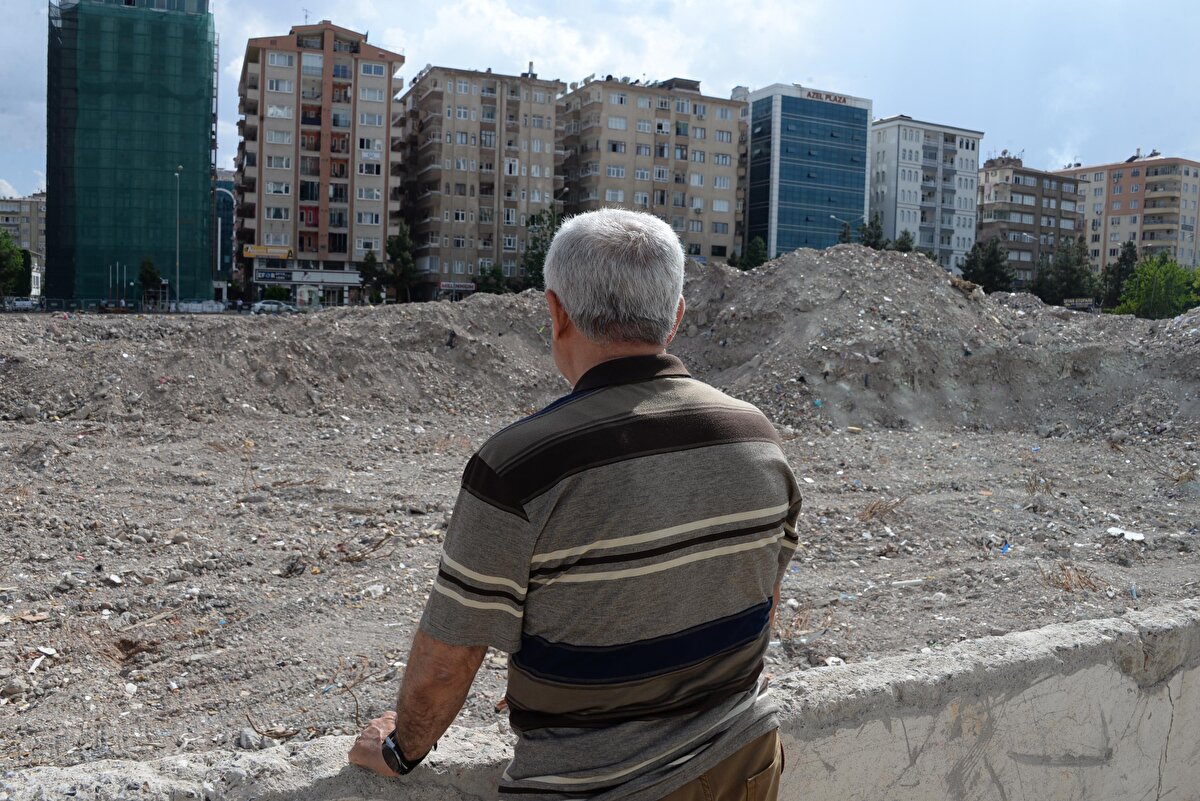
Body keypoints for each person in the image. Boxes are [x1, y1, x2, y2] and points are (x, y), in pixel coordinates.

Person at [350, 208, 801, 800]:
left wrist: (402, 746)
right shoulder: (756, 435)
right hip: (747, 761)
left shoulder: (517, 464)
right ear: (676, 317)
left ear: (556, 312)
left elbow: (447, 661)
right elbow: (755, 597)